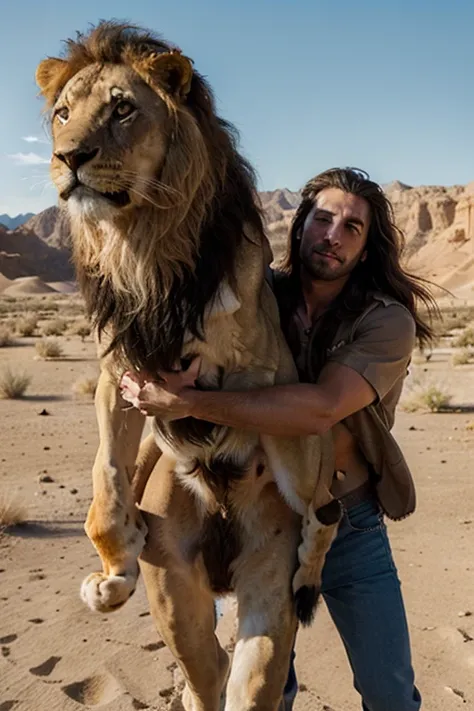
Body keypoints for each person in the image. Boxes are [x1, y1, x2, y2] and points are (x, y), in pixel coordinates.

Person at [121, 167, 438, 710]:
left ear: (367, 248)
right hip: (257, 518)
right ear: (298, 227)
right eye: (323, 219)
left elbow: (321, 409)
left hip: (347, 520)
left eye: (352, 228)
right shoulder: (254, 296)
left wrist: (188, 403)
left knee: (388, 691)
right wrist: (142, 379)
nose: (333, 235)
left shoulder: (386, 322)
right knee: (263, 686)